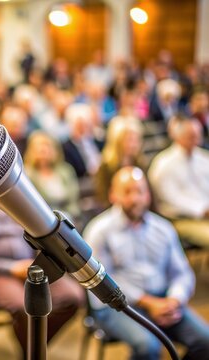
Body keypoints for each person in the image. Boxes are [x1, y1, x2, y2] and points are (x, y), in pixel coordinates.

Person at [83, 166, 209, 360]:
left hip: (163, 300)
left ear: (148, 195)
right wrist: (148, 303)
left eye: (140, 191)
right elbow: (102, 282)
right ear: (113, 195)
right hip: (115, 306)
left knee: (205, 341)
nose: (135, 198)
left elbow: (181, 272)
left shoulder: (163, 228)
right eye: (127, 192)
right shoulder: (99, 231)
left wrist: (174, 300)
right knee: (148, 347)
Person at [0, 200, 84, 354]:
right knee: (25, 306)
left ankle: (33, 348)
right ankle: (31, 351)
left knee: (72, 297)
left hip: (32, 266)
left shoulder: (20, 203)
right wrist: (10, 268)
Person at [148, 115, 209, 248]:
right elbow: (170, 199)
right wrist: (202, 210)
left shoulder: (203, 157)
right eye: (191, 135)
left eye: (197, 135)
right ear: (178, 136)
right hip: (181, 220)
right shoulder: (163, 163)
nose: (196, 139)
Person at [24, 131, 81, 224]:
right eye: (39, 146)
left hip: (70, 219)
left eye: (47, 145)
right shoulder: (27, 174)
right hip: (42, 221)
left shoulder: (66, 170)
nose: (44, 149)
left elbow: (73, 200)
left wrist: (70, 217)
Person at [95, 117, 146, 208]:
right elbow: (104, 198)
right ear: (117, 141)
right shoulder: (106, 167)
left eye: (136, 140)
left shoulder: (139, 162)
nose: (134, 144)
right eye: (129, 140)